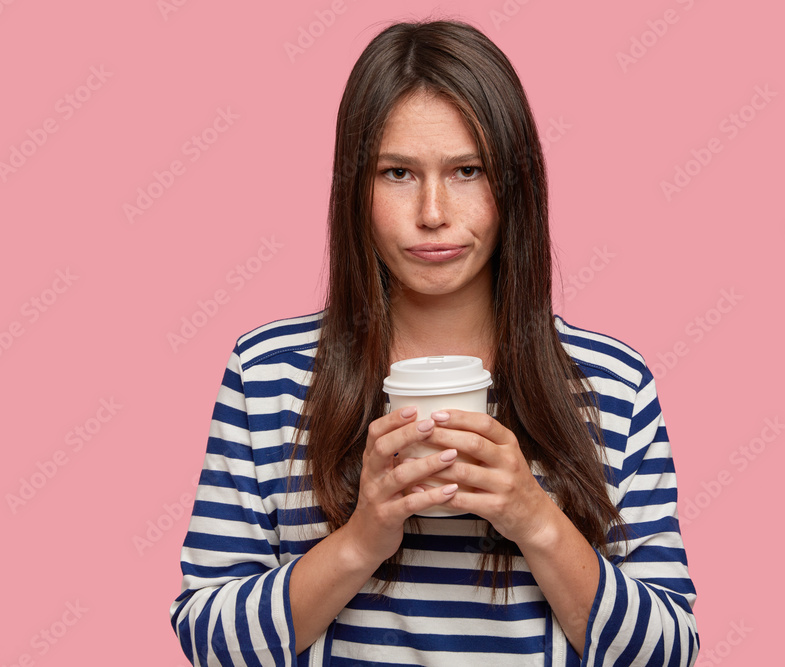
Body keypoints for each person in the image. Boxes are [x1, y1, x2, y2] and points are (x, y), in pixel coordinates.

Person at [170, 19, 698, 666]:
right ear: (353, 189)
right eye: (397, 173)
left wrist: (534, 518)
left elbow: (666, 652)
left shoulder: (612, 384)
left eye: (467, 170)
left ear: (515, 186)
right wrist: (362, 538)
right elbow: (209, 640)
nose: (432, 211)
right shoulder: (269, 375)